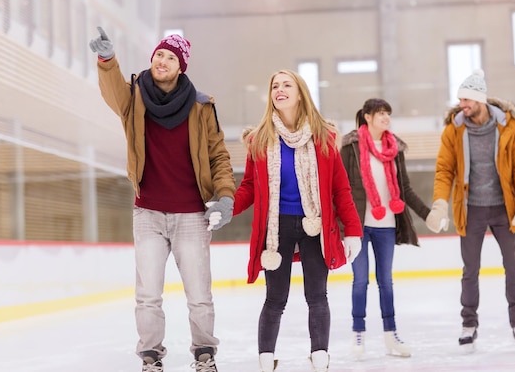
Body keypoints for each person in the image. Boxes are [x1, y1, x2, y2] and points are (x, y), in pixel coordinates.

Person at [89, 28, 236, 372]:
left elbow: (218, 156)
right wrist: (108, 61)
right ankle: (151, 355)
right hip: (148, 214)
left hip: (191, 215)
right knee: (148, 295)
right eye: (159, 55)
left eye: (171, 57)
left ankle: (204, 352)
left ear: (181, 66)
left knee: (199, 295)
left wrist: (225, 196)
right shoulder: (134, 97)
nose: (162, 60)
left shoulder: (201, 106)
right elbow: (112, 93)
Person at [232, 70, 363, 372]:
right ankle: (266, 360)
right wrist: (228, 208)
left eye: (286, 84)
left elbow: (340, 188)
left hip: (314, 227)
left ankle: (320, 356)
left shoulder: (325, 137)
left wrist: (352, 231)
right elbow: (249, 186)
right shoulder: (259, 140)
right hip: (276, 231)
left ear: (301, 92)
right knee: (275, 298)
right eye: (274, 86)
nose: (279, 89)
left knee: (317, 295)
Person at [425, 69, 515, 353]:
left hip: (504, 209)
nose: (462, 104)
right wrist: (440, 204)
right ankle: (469, 324)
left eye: (467, 99)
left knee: (513, 267)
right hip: (471, 209)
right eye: (460, 99)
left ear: (480, 100)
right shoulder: (454, 129)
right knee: (470, 269)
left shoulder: (509, 127)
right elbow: (444, 170)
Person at [340, 98, 433, 359]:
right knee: (360, 281)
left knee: (386, 282)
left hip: (386, 225)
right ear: (367, 116)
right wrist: (341, 227)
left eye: (388, 114)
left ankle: (391, 335)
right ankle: (358, 334)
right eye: (381, 113)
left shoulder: (395, 148)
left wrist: (428, 215)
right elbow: (341, 188)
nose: (386, 118)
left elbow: (406, 189)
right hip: (358, 226)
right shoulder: (351, 147)